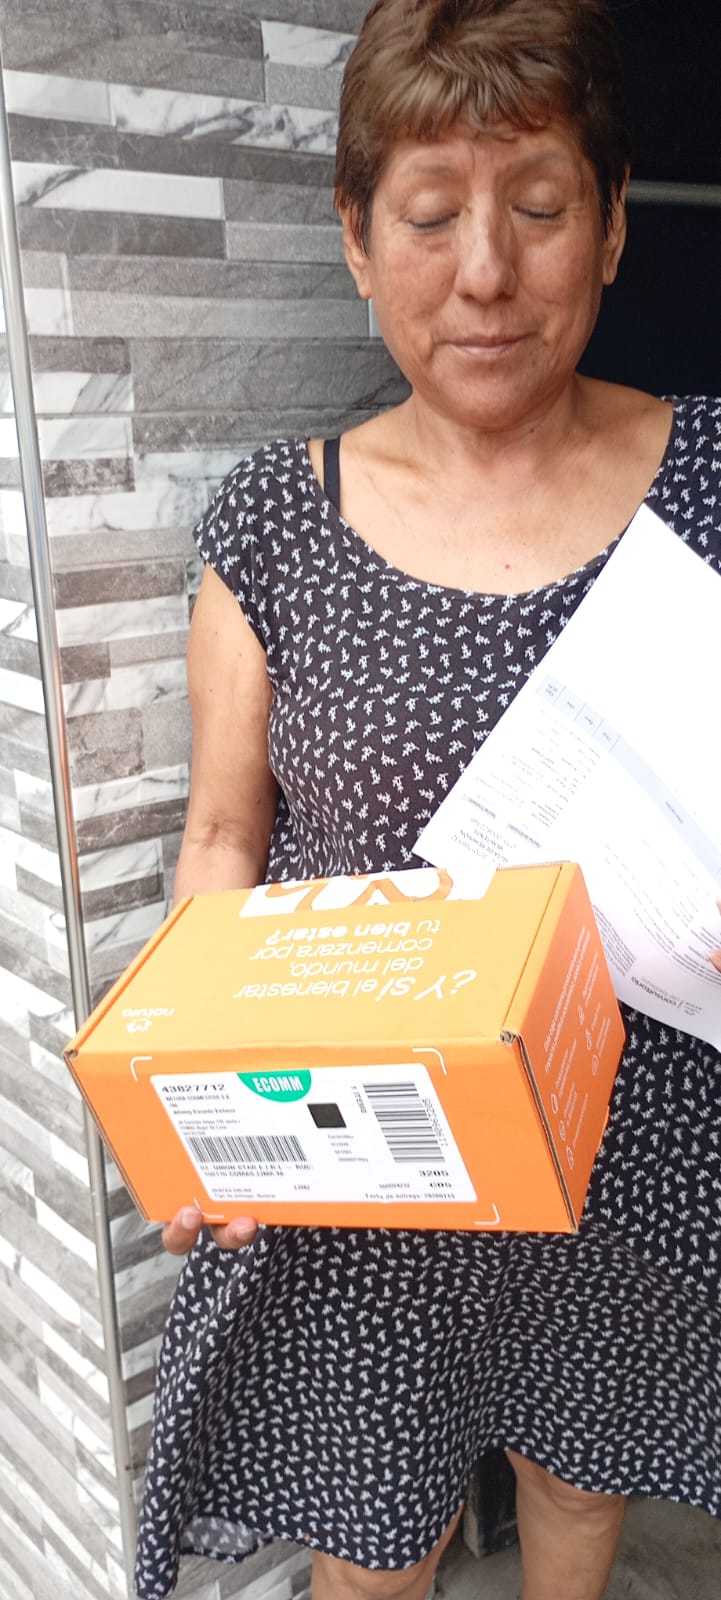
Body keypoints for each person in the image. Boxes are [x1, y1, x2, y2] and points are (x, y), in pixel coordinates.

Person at [134, 2, 721, 1597]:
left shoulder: (711, 483)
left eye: (537, 206)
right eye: (429, 214)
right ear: (354, 237)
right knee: (376, 1534)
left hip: (633, 1147)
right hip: (369, 1155)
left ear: (610, 225)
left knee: (578, 1490)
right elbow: (224, 837)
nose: (485, 273)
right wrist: (199, 1093)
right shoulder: (275, 522)